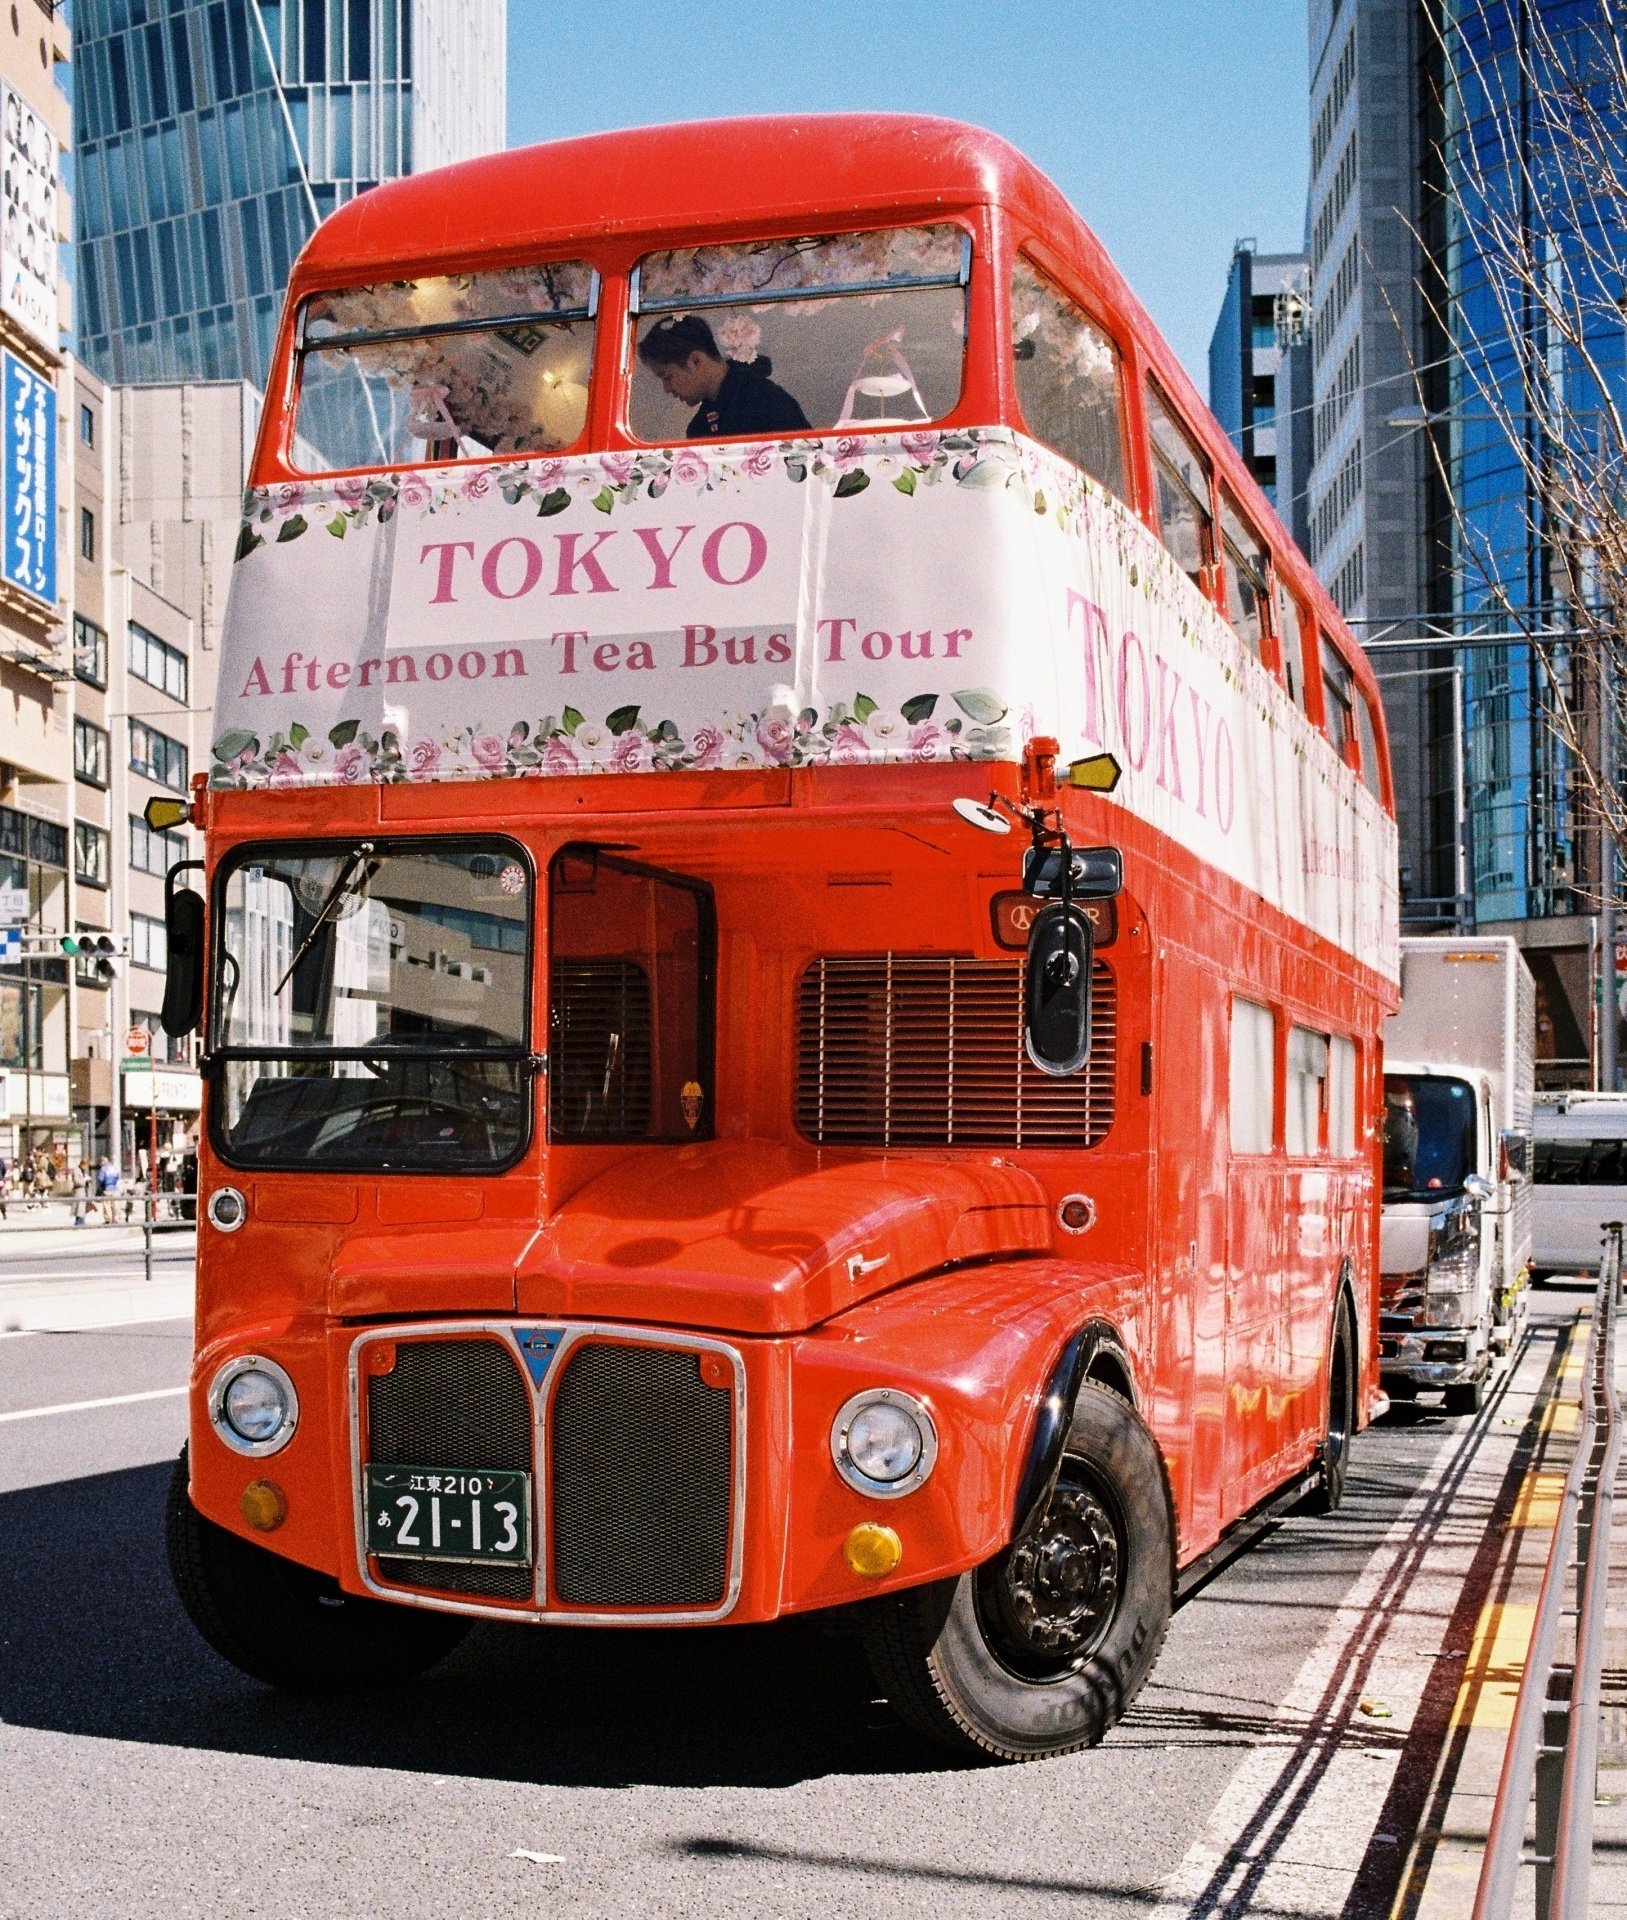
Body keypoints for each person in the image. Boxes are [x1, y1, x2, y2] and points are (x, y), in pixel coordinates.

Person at [636, 314, 810, 439]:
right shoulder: (699, 427)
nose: (667, 389)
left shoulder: (766, 402)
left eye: (667, 376)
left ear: (696, 361)